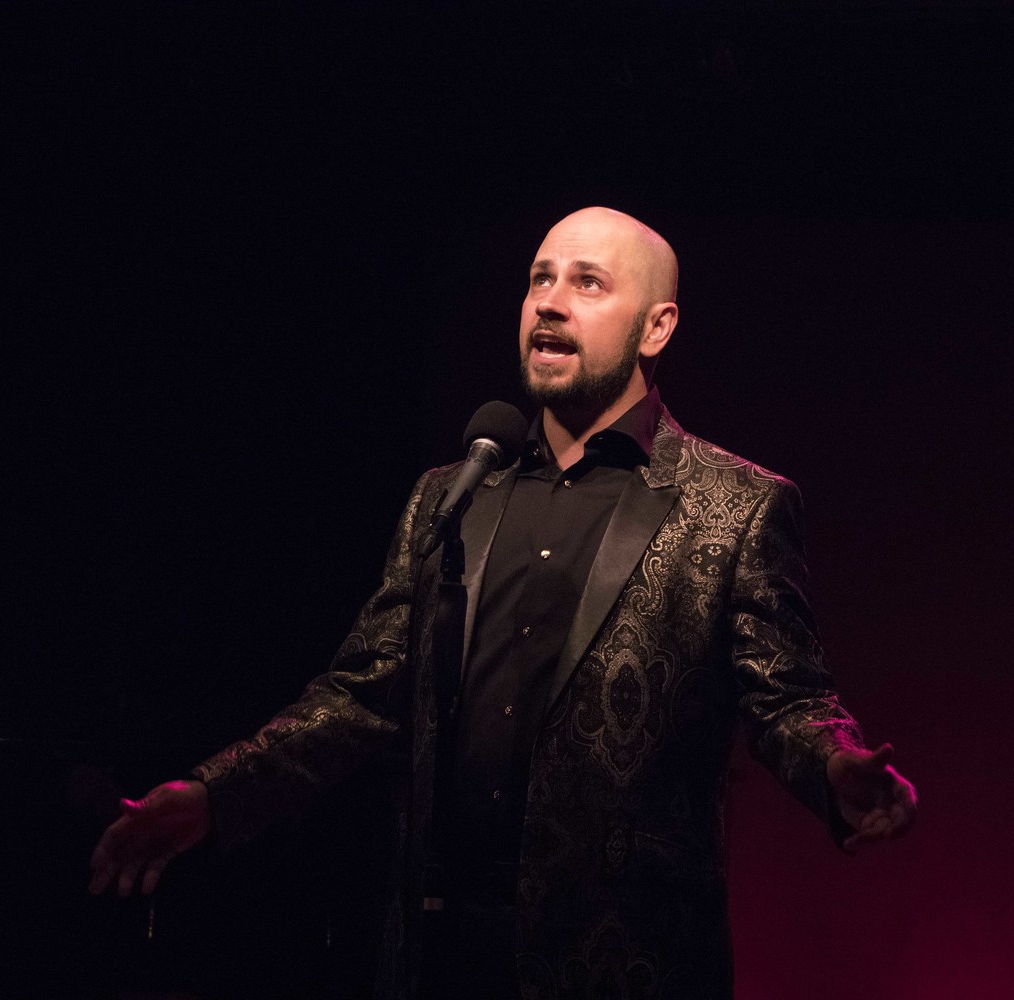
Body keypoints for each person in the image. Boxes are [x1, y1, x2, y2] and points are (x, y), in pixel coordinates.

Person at [89, 207, 917, 999]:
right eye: (539, 279)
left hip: (620, 963)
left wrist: (834, 768)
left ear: (657, 328)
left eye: (588, 284)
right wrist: (214, 794)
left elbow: (788, 700)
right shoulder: (449, 497)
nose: (550, 302)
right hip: (438, 955)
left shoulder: (732, 507)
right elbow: (360, 694)